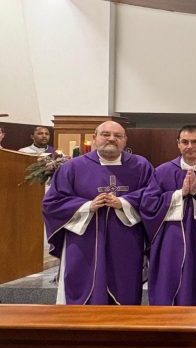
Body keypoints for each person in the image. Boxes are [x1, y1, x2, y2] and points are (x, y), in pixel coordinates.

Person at [42, 121, 154, 305]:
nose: (111, 139)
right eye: (105, 134)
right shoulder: (72, 167)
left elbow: (152, 197)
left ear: (125, 140)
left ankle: (124, 332)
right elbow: (52, 203)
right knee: (84, 290)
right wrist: (88, 206)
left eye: (118, 136)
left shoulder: (141, 166)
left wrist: (123, 203)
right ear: (94, 139)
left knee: (124, 292)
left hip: (125, 242)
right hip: (84, 242)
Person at [140, 125, 196, 306]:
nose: (189, 146)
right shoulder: (162, 171)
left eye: (194, 142)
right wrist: (179, 194)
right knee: (169, 279)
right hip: (170, 239)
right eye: (185, 142)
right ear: (178, 144)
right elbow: (148, 204)